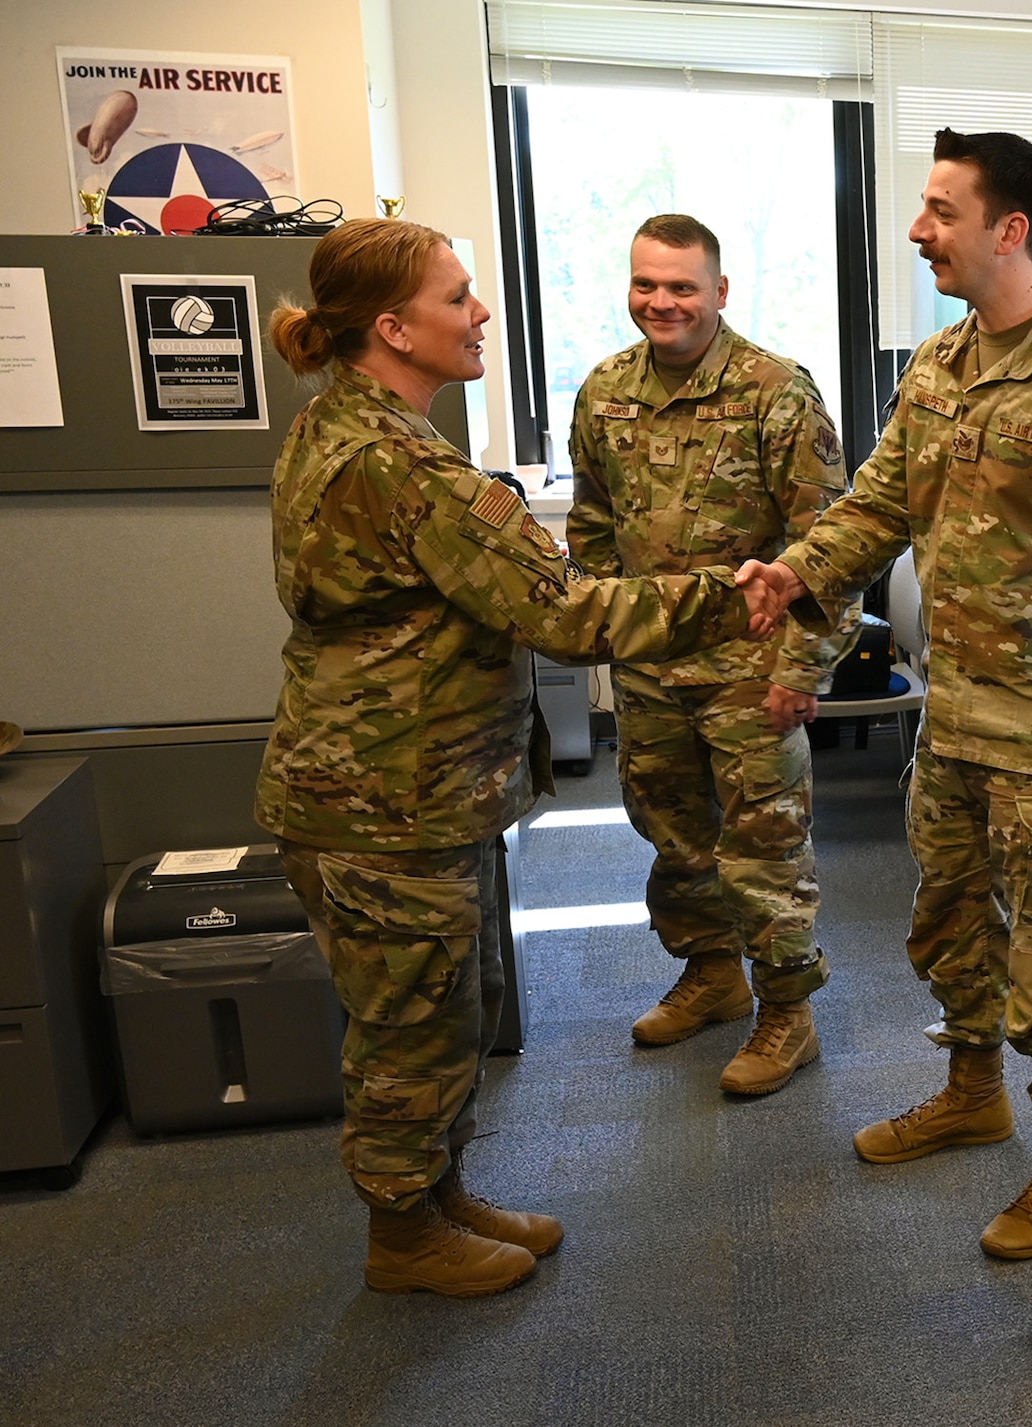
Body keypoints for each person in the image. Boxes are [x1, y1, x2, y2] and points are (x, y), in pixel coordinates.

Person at [260, 217, 785, 1298]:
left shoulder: (346, 427)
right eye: (458, 297)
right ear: (394, 327)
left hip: (392, 785)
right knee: (411, 1021)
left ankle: (437, 1194)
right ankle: (404, 1233)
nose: (480, 311)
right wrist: (730, 595)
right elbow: (561, 609)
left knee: (445, 1001)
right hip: (385, 798)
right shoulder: (398, 463)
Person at [737, 129, 1032, 1259]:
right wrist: (799, 568)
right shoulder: (939, 367)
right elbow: (875, 501)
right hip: (955, 717)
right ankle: (969, 1090)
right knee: (947, 920)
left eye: (939, 211)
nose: (916, 230)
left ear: (1010, 228)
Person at [568, 215, 858, 1097]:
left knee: (764, 848)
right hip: (650, 669)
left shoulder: (777, 391)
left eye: (682, 286)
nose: (662, 302)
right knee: (673, 835)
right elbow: (590, 528)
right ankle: (713, 973)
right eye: (646, 284)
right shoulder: (604, 391)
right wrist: (604, 637)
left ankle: (786, 1012)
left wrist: (804, 669)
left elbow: (833, 543)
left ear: (719, 292)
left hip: (749, 669)